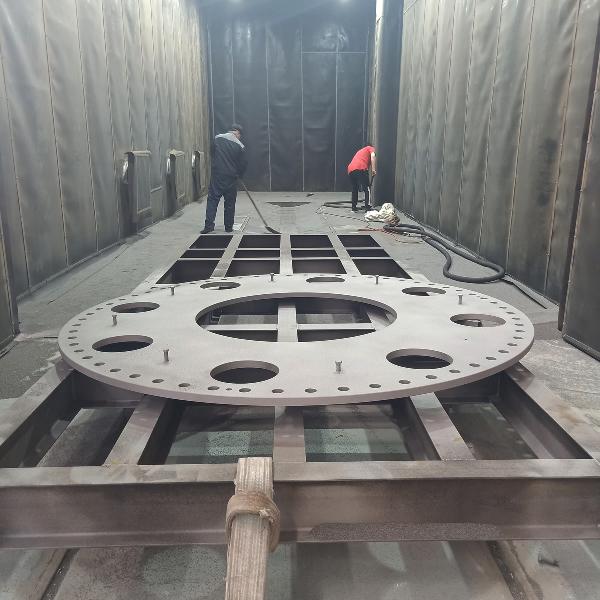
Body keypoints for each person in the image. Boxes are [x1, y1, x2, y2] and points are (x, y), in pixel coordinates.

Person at [201, 124, 248, 234]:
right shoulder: (240, 146)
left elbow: (212, 153)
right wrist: (239, 175)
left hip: (217, 175)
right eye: (240, 136)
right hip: (231, 177)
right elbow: (243, 164)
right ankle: (228, 227)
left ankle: (208, 226)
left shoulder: (217, 139)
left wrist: (216, 165)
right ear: (237, 133)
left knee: (213, 200)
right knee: (230, 203)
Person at [347, 144, 376, 212]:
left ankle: (353, 208)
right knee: (367, 188)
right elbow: (373, 156)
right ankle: (367, 207)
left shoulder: (361, 151)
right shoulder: (370, 148)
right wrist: (373, 169)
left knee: (355, 188)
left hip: (350, 169)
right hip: (360, 167)